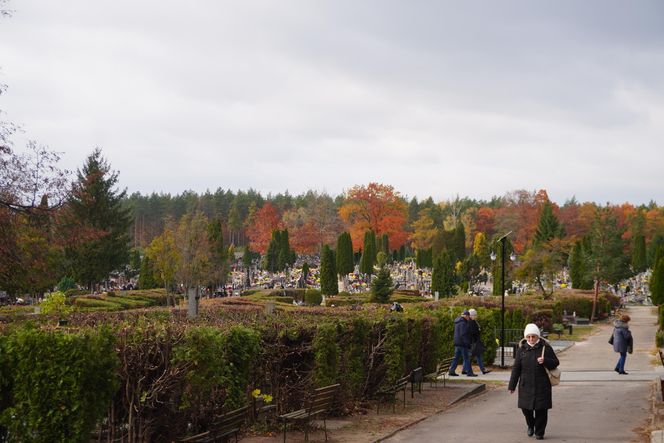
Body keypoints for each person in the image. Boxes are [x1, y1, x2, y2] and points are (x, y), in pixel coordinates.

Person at [508, 323, 559, 440]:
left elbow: (556, 363)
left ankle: (540, 432)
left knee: (541, 410)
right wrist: (512, 386)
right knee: (526, 409)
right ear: (526, 337)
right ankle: (531, 425)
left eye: (533, 336)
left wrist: (545, 361)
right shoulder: (521, 350)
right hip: (526, 384)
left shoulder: (545, 348)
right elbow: (516, 369)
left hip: (542, 385)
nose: (531, 339)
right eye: (528, 337)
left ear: (538, 336)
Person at [449, 310, 477, 377]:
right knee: (467, 358)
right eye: (468, 317)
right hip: (462, 344)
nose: (469, 318)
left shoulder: (457, 322)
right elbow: (463, 334)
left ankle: (451, 371)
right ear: (466, 316)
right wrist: (467, 344)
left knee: (456, 358)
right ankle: (469, 373)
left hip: (457, 342)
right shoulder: (463, 323)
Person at [467, 308, 491, 374]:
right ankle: (482, 370)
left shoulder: (473, 322)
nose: (476, 316)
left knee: (475, 356)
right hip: (473, 342)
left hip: (474, 342)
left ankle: (482, 369)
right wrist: (478, 331)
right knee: (473, 356)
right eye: (474, 315)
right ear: (471, 315)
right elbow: (472, 332)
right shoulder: (471, 322)